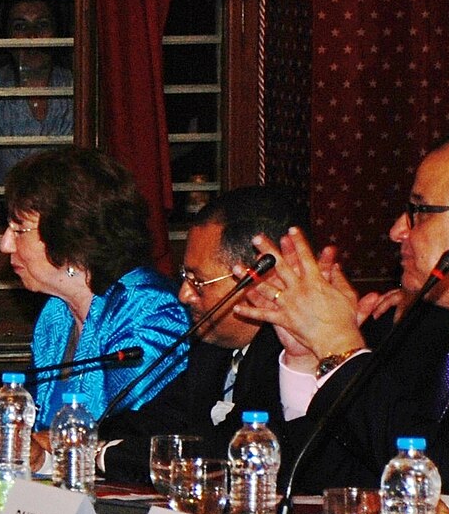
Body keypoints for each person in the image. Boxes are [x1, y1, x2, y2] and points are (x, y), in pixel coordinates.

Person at [238, 133, 449, 507]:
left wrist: (339, 346)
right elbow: (344, 480)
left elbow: (441, 484)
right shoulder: (422, 330)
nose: (396, 231)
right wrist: (307, 359)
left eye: (418, 211)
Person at [0, 147, 189, 429]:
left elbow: (122, 431)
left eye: (19, 230)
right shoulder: (56, 314)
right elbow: (43, 423)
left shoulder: (149, 311)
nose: (4, 244)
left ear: (71, 235)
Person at [98, 186, 308, 483]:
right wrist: (70, 441)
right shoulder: (211, 350)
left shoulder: (291, 355)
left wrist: (104, 455)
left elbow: (222, 454)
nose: (184, 295)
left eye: (198, 281)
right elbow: (156, 421)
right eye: (184, 278)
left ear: (260, 277)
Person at [0, 0, 74, 225]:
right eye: (20, 27)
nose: (32, 36)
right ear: (7, 37)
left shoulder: (78, 90)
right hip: (3, 224)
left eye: (42, 25)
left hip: (65, 225)